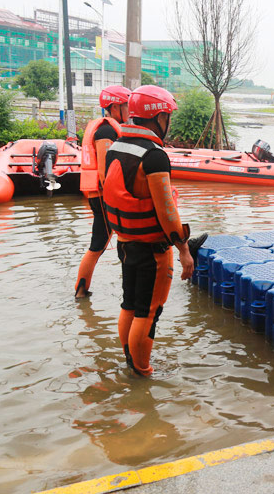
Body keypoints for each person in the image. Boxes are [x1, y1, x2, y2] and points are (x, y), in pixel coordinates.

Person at [102, 85, 201, 377]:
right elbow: (167, 212)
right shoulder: (154, 156)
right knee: (149, 313)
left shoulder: (117, 147)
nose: (169, 122)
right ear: (158, 117)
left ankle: (130, 362)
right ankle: (141, 373)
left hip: (126, 243)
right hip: (152, 251)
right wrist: (184, 251)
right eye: (167, 115)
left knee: (130, 305)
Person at [75, 85, 132, 298]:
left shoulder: (109, 127)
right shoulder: (106, 131)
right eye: (127, 106)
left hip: (101, 196)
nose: (129, 111)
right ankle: (81, 292)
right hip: (103, 197)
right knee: (98, 245)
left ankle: (83, 290)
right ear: (115, 106)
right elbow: (104, 172)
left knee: (105, 243)